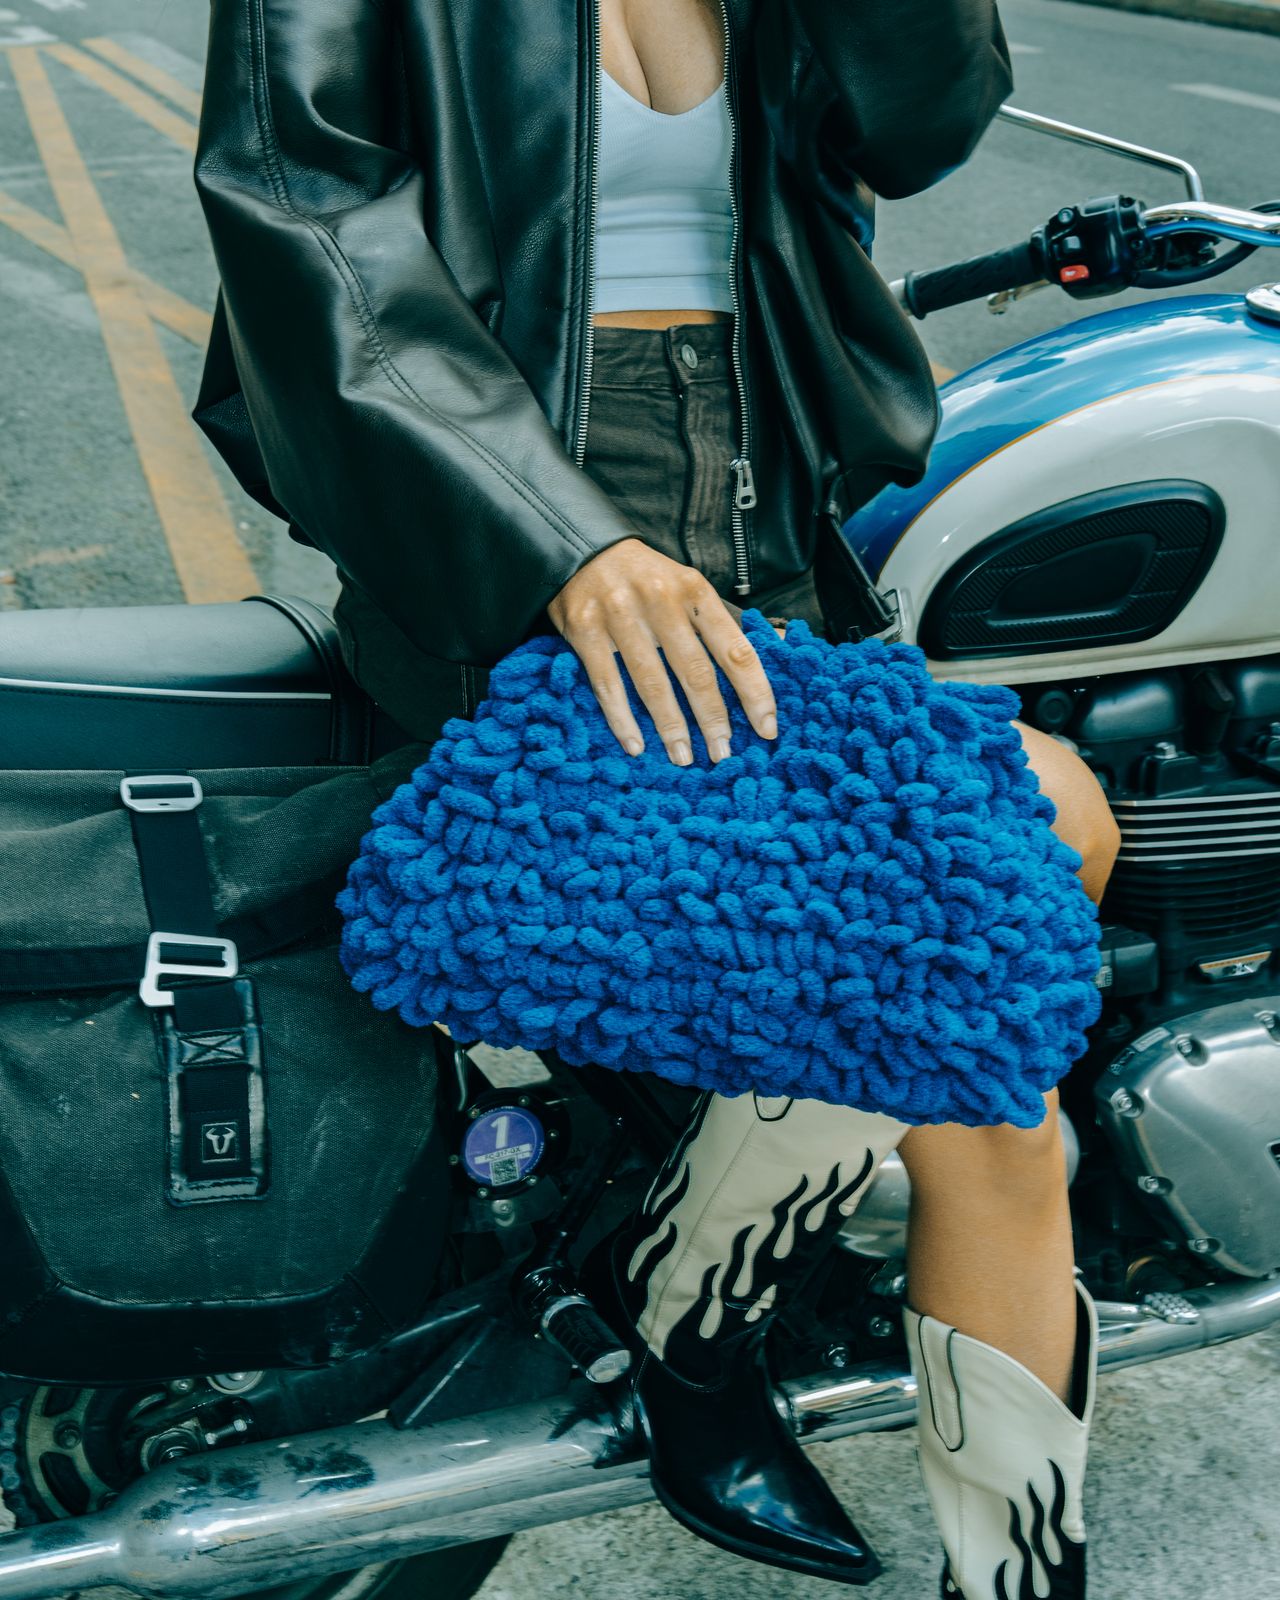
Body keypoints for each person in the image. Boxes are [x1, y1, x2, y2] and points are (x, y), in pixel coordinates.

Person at [191, 2, 1121, 1593]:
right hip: (503, 516)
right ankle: (695, 1313)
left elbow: (924, 122)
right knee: (999, 1076)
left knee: (1038, 877)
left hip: (767, 499)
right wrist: (562, 543)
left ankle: (684, 1287)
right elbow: (310, 239)